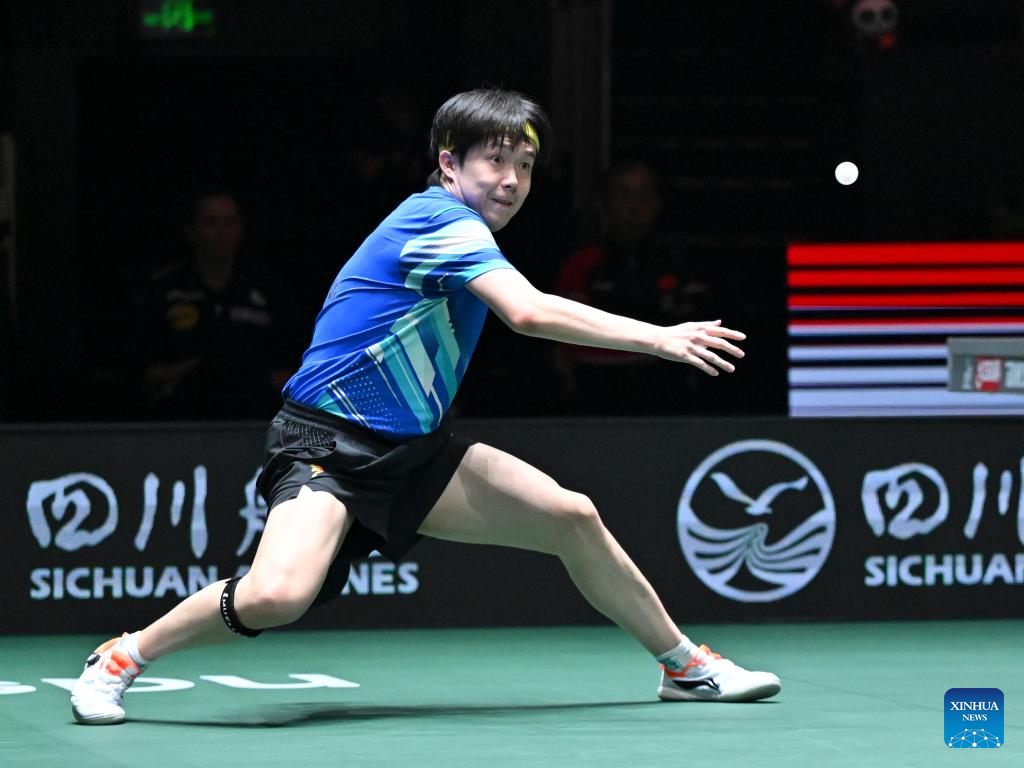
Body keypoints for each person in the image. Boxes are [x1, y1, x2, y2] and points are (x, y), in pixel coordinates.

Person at [69, 88, 780, 725]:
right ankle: (123, 656)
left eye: (525, 165)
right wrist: (658, 337)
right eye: (495, 161)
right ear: (448, 164)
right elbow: (528, 313)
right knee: (276, 596)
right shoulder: (438, 221)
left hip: (414, 449)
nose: (512, 180)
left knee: (571, 516)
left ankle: (685, 667)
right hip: (329, 442)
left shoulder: (468, 233)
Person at [553, 160, 713, 414]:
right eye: (623, 193)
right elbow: (564, 338)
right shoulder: (581, 265)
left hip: (666, 395)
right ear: (604, 202)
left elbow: (701, 332)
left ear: (658, 201)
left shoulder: (683, 264)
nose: (635, 204)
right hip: (595, 395)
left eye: (644, 193)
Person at [135, 189, 293, 419]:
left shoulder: (268, 292)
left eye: (230, 222)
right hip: (179, 422)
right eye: (211, 223)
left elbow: (286, 373)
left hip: (250, 423)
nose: (221, 232)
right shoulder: (163, 290)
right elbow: (144, 373)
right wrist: (202, 371)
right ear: (191, 231)